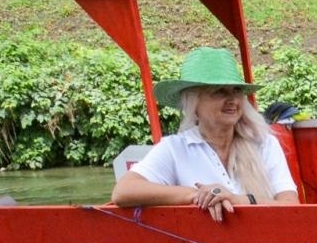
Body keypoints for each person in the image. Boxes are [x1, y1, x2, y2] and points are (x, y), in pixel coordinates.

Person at [111, 47, 299, 221]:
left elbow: (292, 206)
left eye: (236, 91)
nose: (232, 99)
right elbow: (123, 191)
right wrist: (196, 195)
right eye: (219, 92)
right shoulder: (175, 148)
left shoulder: (264, 143)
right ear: (194, 104)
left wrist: (239, 200)